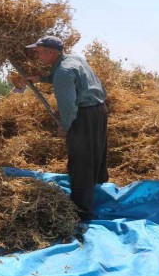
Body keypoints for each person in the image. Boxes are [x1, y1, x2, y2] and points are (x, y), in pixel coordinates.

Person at [24, 36, 108, 221]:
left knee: (81, 161)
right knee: (96, 154)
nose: (36, 55)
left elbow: (68, 106)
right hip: (99, 110)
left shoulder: (63, 71)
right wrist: (41, 78)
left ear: (50, 52)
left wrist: (66, 126)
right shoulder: (75, 59)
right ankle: (100, 194)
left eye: (38, 51)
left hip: (83, 115)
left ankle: (81, 211)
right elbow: (65, 76)